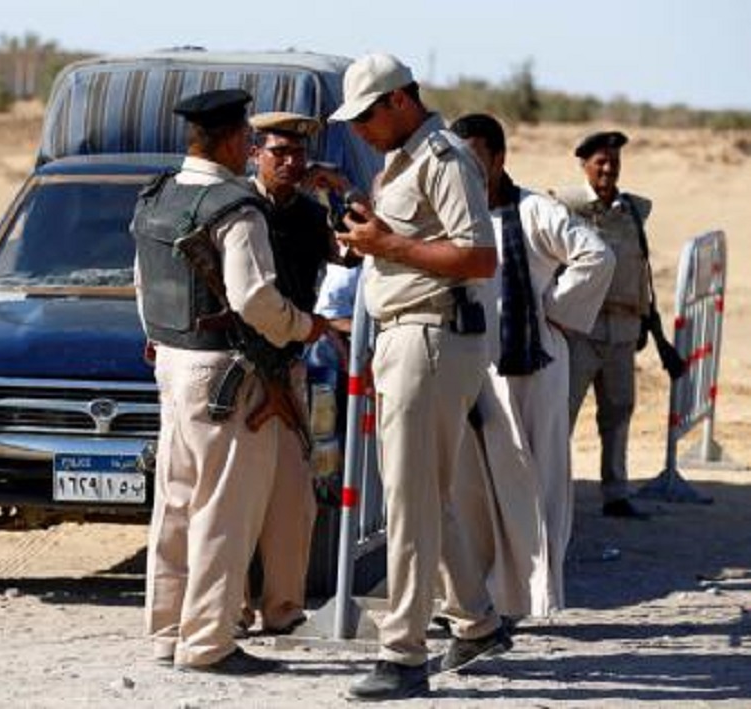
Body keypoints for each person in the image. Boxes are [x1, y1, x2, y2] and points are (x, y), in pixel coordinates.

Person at [130, 89, 330, 675]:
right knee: (224, 511)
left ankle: (169, 631)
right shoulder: (237, 207)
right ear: (229, 140)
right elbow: (253, 299)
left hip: (172, 361)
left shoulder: (157, 196)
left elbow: (143, 284)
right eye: (246, 135)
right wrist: (305, 325)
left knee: (176, 502)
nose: (250, 143)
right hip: (226, 375)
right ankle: (209, 643)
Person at [328, 53, 505, 701]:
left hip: (431, 334)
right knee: (425, 494)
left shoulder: (443, 157)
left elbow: (480, 255)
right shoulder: (401, 161)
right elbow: (401, 238)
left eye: (366, 117)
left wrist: (390, 247)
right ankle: (478, 620)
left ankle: (403, 651)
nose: (360, 131)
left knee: (408, 503)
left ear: (400, 101)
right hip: (410, 335)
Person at [449, 114, 615, 617]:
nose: (468, 172)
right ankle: (486, 595)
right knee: (477, 484)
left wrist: (556, 310)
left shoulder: (535, 212)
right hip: (476, 368)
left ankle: (535, 595)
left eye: (476, 159)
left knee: (539, 481)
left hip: (536, 367)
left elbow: (597, 256)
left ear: (499, 159)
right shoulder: (453, 216)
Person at [237, 111, 342, 636]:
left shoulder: (308, 213)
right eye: (279, 152)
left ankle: (282, 610)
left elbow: (350, 253)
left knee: (292, 497)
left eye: (298, 153)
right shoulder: (236, 206)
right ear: (255, 152)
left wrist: (342, 193)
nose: (290, 162)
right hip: (240, 369)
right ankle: (232, 609)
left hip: (294, 363)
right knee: (236, 496)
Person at [552, 131, 653, 519]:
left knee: (619, 412)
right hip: (580, 331)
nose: (609, 169)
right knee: (563, 414)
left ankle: (615, 493)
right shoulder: (566, 208)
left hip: (622, 332)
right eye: (601, 162)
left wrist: (645, 320)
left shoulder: (634, 213)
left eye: (614, 162)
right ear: (584, 165)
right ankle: (556, 492)